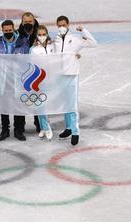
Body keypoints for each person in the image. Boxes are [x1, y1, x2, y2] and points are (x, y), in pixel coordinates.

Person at [53, 15, 97, 145]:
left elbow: (93, 43)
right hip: (59, 76)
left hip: (71, 75)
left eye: (63, 25)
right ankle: (68, 128)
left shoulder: (75, 39)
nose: (61, 27)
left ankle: (75, 131)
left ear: (68, 25)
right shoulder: (55, 41)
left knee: (72, 104)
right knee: (64, 104)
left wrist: (83, 31)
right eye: (59, 25)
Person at [0, 19, 29, 141]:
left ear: (14, 28)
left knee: (18, 104)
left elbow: (29, 56)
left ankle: (19, 130)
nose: (8, 32)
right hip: (3, 78)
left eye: (10, 30)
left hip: (18, 77)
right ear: (2, 30)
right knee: (4, 104)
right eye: (5, 30)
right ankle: (5, 130)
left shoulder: (23, 41)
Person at [29, 25, 54, 140]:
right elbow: (31, 64)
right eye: (39, 34)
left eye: (44, 34)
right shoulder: (33, 49)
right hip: (38, 79)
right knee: (40, 105)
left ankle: (44, 127)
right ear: (36, 36)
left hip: (52, 78)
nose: (42, 37)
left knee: (47, 105)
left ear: (47, 34)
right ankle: (46, 127)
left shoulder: (52, 46)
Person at [18, 12, 41, 133]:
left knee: (37, 99)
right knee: (21, 99)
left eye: (30, 22)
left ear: (34, 21)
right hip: (21, 72)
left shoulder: (41, 34)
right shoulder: (17, 35)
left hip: (37, 73)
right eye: (25, 22)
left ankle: (39, 124)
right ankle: (19, 127)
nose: (28, 24)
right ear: (22, 22)